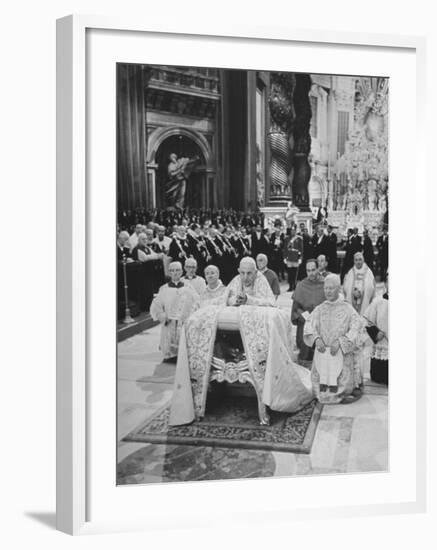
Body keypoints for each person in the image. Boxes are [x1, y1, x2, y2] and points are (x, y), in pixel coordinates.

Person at [168, 256, 313, 426]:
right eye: (242, 273)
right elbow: (224, 299)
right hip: (233, 328)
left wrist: (249, 300)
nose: (245, 278)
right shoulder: (236, 280)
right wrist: (233, 301)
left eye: (249, 273)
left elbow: (270, 302)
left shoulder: (261, 280)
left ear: (255, 272)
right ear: (238, 271)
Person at [304, 274, 362, 404]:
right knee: (319, 384)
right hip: (323, 352)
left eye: (331, 288)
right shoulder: (320, 308)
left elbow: (357, 327)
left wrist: (341, 342)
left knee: (340, 383)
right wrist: (316, 339)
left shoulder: (347, 309)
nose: (328, 291)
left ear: (338, 289)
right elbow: (309, 324)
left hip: (340, 354)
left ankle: (341, 390)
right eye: (326, 288)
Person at [150, 262, 200, 361]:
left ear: (181, 271)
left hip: (183, 321)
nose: (175, 273)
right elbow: (156, 306)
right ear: (169, 272)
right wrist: (162, 316)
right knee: (169, 342)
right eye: (172, 270)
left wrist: (190, 315)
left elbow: (197, 302)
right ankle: (170, 355)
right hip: (169, 322)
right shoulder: (164, 288)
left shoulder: (188, 287)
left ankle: (183, 357)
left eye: (177, 270)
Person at [291, 259, 326, 364]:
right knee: (304, 347)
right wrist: (306, 317)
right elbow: (295, 309)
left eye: (313, 270)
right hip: (305, 322)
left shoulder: (325, 284)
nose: (311, 273)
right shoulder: (301, 285)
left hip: (322, 322)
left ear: (318, 269)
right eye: (308, 270)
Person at [364, 276, 389, 385]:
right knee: (380, 378)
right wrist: (376, 333)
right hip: (381, 344)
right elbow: (367, 321)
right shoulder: (378, 302)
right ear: (385, 284)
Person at [283, 226, 303, 292]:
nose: (293, 232)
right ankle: (290, 286)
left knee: (295, 273)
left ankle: (294, 285)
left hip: (296, 257)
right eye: (292, 230)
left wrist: (300, 258)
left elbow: (301, 249)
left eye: (294, 230)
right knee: (290, 273)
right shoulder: (287, 239)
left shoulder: (299, 239)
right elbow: (285, 249)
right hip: (289, 257)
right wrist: (284, 257)